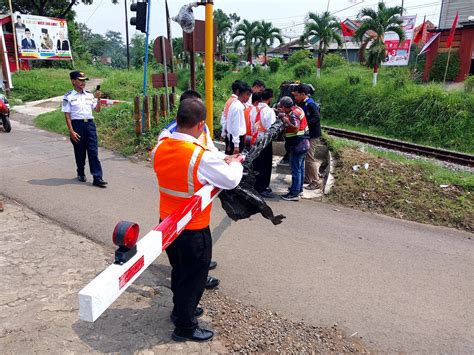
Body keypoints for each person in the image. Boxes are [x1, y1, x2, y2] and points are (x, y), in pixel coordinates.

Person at [151, 98, 243, 342]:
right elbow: (231, 180)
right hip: (193, 230)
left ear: (178, 119)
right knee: (193, 279)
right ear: (201, 124)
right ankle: (185, 326)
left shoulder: (159, 148)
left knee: (179, 272)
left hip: (167, 225)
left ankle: (180, 311)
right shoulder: (198, 156)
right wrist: (235, 163)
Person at [158, 90, 220, 290]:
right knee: (186, 263)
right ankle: (186, 312)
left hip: (196, 209)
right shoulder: (167, 136)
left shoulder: (202, 128)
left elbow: (210, 150)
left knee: (194, 261)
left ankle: (199, 275)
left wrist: (218, 162)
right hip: (181, 213)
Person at [62, 71, 107, 188]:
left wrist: (98, 100)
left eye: (84, 80)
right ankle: (80, 172)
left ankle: (97, 177)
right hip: (77, 125)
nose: (83, 83)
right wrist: (71, 131)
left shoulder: (89, 95)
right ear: (73, 81)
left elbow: (97, 110)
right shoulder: (68, 97)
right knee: (80, 152)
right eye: (80, 80)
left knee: (93, 152)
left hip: (90, 126)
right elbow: (67, 115)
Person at [278, 96, 308, 201]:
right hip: (303, 143)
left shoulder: (293, 114)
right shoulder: (298, 109)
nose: (281, 109)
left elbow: (295, 128)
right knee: (300, 168)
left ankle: (294, 193)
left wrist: (286, 121)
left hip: (297, 144)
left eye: (282, 107)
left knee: (295, 169)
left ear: (286, 107)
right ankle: (298, 189)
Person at [292, 85, 322, 190]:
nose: (295, 98)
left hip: (312, 135)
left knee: (310, 158)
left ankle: (315, 181)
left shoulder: (310, 104)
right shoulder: (304, 103)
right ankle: (307, 178)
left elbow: (317, 118)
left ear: (303, 94)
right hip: (309, 134)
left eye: (297, 95)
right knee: (306, 157)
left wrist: (305, 123)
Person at [250, 88, 276, 198]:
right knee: (265, 164)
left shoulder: (253, 109)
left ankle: (256, 185)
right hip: (265, 140)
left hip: (254, 139)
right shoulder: (269, 111)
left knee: (256, 163)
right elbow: (271, 127)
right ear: (270, 98)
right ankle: (263, 187)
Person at [225, 83, 252, 154]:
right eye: (247, 95)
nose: (248, 98)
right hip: (237, 138)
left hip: (232, 137)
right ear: (241, 94)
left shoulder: (234, 104)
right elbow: (236, 127)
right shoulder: (238, 108)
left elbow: (229, 123)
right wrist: (236, 145)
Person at [221, 80, 243, 147]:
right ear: (238, 91)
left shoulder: (229, 101)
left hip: (229, 134)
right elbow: (234, 123)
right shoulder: (235, 103)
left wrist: (223, 133)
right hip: (232, 135)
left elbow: (224, 117)